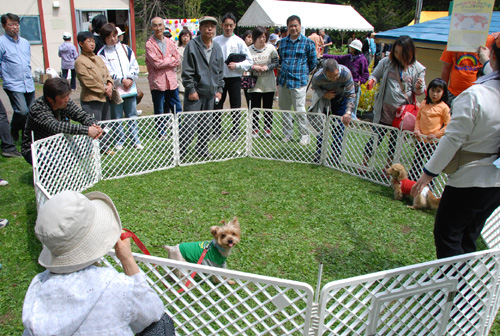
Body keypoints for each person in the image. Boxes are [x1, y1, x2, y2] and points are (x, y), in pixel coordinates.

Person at [22, 190, 175, 335]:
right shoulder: (116, 285)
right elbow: (154, 311)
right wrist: (127, 259)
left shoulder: (37, 287)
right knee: (162, 323)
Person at [411, 38, 500, 259]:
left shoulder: (475, 95)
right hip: (495, 182)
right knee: (469, 233)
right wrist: (486, 60)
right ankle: (462, 285)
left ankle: (449, 286)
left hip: (471, 178)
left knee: (448, 234)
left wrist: (428, 174)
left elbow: (451, 140)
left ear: (495, 56)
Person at [364, 35, 426, 167]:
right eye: (396, 52)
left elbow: (421, 92)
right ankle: (364, 164)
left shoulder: (418, 69)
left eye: (401, 53)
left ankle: (388, 168)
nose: (398, 55)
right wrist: (373, 81)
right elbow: (375, 74)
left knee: (394, 141)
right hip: (384, 109)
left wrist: (419, 86)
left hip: (401, 113)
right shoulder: (387, 62)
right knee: (376, 137)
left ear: (410, 52)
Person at [21, 78, 103, 165]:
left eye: (67, 95)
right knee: (54, 164)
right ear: (50, 99)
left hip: (59, 144)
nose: (67, 99)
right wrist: (87, 130)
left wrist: (94, 125)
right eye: (63, 97)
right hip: (37, 148)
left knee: (80, 155)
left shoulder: (66, 103)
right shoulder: (38, 108)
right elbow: (55, 126)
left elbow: (81, 115)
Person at [180, 16, 224, 159]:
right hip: (195, 93)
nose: (209, 29)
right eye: (206, 26)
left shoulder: (217, 47)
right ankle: (181, 150)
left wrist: (219, 89)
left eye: (212, 26)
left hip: (210, 93)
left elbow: (220, 71)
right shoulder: (192, 46)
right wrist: (191, 89)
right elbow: (187, 71)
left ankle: (202, 149)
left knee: (206, 125)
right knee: (189, 125)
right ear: (200, 28)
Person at [98, 23, 143, 151]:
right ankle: (120, 140)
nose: (112, 39)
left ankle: (136, 140)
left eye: (114, 36)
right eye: (109, 37)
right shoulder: (102, 53)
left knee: (132, 114)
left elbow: (134, 66)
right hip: (116, 90)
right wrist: (121, 80)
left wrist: (129, 78)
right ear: (104, 38)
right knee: (117, 117)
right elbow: (106, 71)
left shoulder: (126, 49)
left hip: (130, 89)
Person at [212, 12, 253, 142]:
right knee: (217, 104)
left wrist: (238, 66)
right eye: (226, 25)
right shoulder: (216, 40)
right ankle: (216, 130)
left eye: (231, 25)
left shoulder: (239, 42)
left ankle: (235, 130)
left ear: (234, 25)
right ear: (222, 25)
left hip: (235, 78)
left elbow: (249, 62)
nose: (228, 28)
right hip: (220, 78)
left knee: (235, 104)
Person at [278, 15, 317, 146]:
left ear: (300, 26)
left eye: (296, 25)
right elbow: (282, 59)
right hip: (284, 81)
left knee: (300, 110)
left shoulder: (308, 43)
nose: (293, 28)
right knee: (284, 110)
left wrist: (303, 73)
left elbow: (313, 62)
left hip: (299, 82)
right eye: (291, 26)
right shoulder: (282, 43)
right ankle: (287, 134)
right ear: (287, 27)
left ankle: (305, 135)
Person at [75, 31, 114, 155]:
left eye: (93, 41)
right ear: (81, 44)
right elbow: (88, 81)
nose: (92, 44)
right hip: (91, 99)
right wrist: (104, 89)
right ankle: (92, 149)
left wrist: (109, 85)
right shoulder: (80, 61)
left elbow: (107, 74)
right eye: (88, 41)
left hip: (105, 97)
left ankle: (105, 147)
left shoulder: (98, 58)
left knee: (106, 124)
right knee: (93, 125)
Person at [309, 59, 356, 162]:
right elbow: (315, 88)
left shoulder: (346, 73)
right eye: (330, 77)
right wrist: (324, 94)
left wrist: (348, 112)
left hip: (340, 101)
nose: (334, 79)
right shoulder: (317, 77)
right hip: (325, 101)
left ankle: (335, 156)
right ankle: (319, 153)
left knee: (339, 127)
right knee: (321, 126)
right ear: (324, 73)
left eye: (336, 75)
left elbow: (351, 94)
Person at [0, 13, 36, 142]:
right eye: (11, 24)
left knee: (31, 112)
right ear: (4, 26)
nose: (14, 27)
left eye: (16, 24)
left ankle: (28, 138)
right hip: (13, 84)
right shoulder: (1, 42)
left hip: (28, 83)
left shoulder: (25, 43)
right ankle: (14, 129)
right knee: (21, 111)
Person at [146, 17, 182, 139]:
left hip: (171, 81)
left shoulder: (170, 42)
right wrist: (170, 60)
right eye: (155, 25)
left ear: (164, 26)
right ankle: (162, 133)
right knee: (160, 108)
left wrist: (165, 61)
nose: (158, 28)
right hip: (158, 82)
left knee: (177, 106)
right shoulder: (149, 44)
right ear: (152, 28)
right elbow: (156, 64)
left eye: (160, 25)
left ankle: (180, 129)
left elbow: (177, 60)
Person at [410, 78, 450, 180]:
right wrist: (417, 130)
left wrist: (436, 135)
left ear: (443, 93)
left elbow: (448, 125)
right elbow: (418, 118)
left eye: (438, 91)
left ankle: (429, 188)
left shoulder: (444, 107)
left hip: (433, 142)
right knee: (416, 163)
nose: (435, 94)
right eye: (432, 90)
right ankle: (411, 184)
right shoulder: (424, 103)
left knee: (431, 166)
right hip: (421, 140)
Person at [439, 35, 494, 105]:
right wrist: (443, 90)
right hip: (454, 94)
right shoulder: (455, 39)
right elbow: (446, 67)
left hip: (477, 95)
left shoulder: (489, 40)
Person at [248, 26, 279, 138]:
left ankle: (267, 129)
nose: (262, 39)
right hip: (255, 83)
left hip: (268, 83)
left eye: (264, 37)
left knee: (267, 107)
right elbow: (246, 64)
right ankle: (254, 129)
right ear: (255, 37)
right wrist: (254, 67)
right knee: (255, 107)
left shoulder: (271, 49)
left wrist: (267, 67)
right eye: (260, 37)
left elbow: (276, 63)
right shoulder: (249, 49)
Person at [323, 39, 369, 115]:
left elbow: (365, 75)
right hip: (345, 84)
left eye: (352, 47)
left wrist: (360, 81)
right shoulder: (349, 57)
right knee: (343, 105)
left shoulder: (362, 59)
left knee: (352, 105)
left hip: (355, 85)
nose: (350, 48)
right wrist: (324, 56)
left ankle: (351, 121)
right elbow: (337, 58)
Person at [176, 28, 193, 104]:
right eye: (183, 36)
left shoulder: (194, 49)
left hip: (192, 80)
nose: (185, 38)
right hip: (180, 79)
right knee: (181, 100)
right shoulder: (177, 50)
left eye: (187, 36)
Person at [240, 30, 253, 108]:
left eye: (251, 37)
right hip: (242, 75)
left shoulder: (253, 49)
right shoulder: (241, 48)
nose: (250, 39)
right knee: (246, 94)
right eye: (248, 37)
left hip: (252, 75)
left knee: (251, 96)